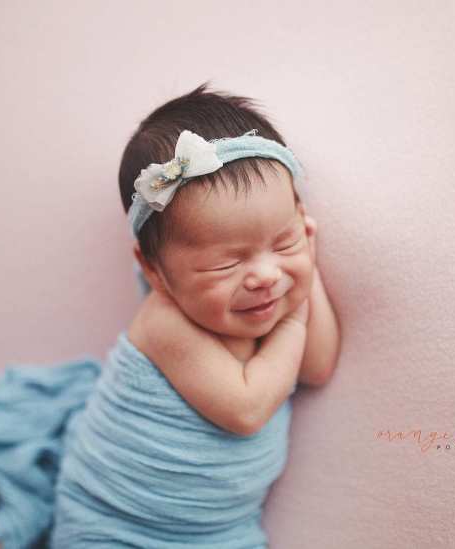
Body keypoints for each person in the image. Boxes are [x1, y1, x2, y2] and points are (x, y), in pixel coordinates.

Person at [49, 82, 341, 547]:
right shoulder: (164, 324)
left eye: (284, 240)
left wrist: (304, 273)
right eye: (226, 263)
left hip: (220, 532)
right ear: (155, 271)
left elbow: (317, 366)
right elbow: (246, 410)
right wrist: (292, 315)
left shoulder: (266, 301)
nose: (265, 275)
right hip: (116, 524)